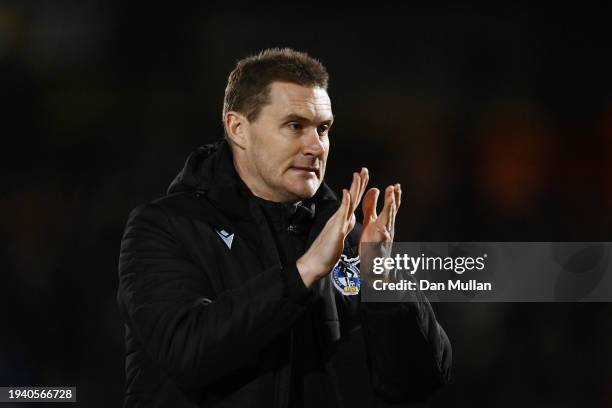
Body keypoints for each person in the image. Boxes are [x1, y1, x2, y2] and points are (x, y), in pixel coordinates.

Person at [117, 48, 452, 408]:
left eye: (323, 129)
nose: (315, 146)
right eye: (295, 126)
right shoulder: (166, 227)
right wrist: (303, 273)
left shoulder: (349, 236)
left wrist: (383, 284)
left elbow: (418, 381)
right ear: (238, 128)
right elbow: (189, 351)